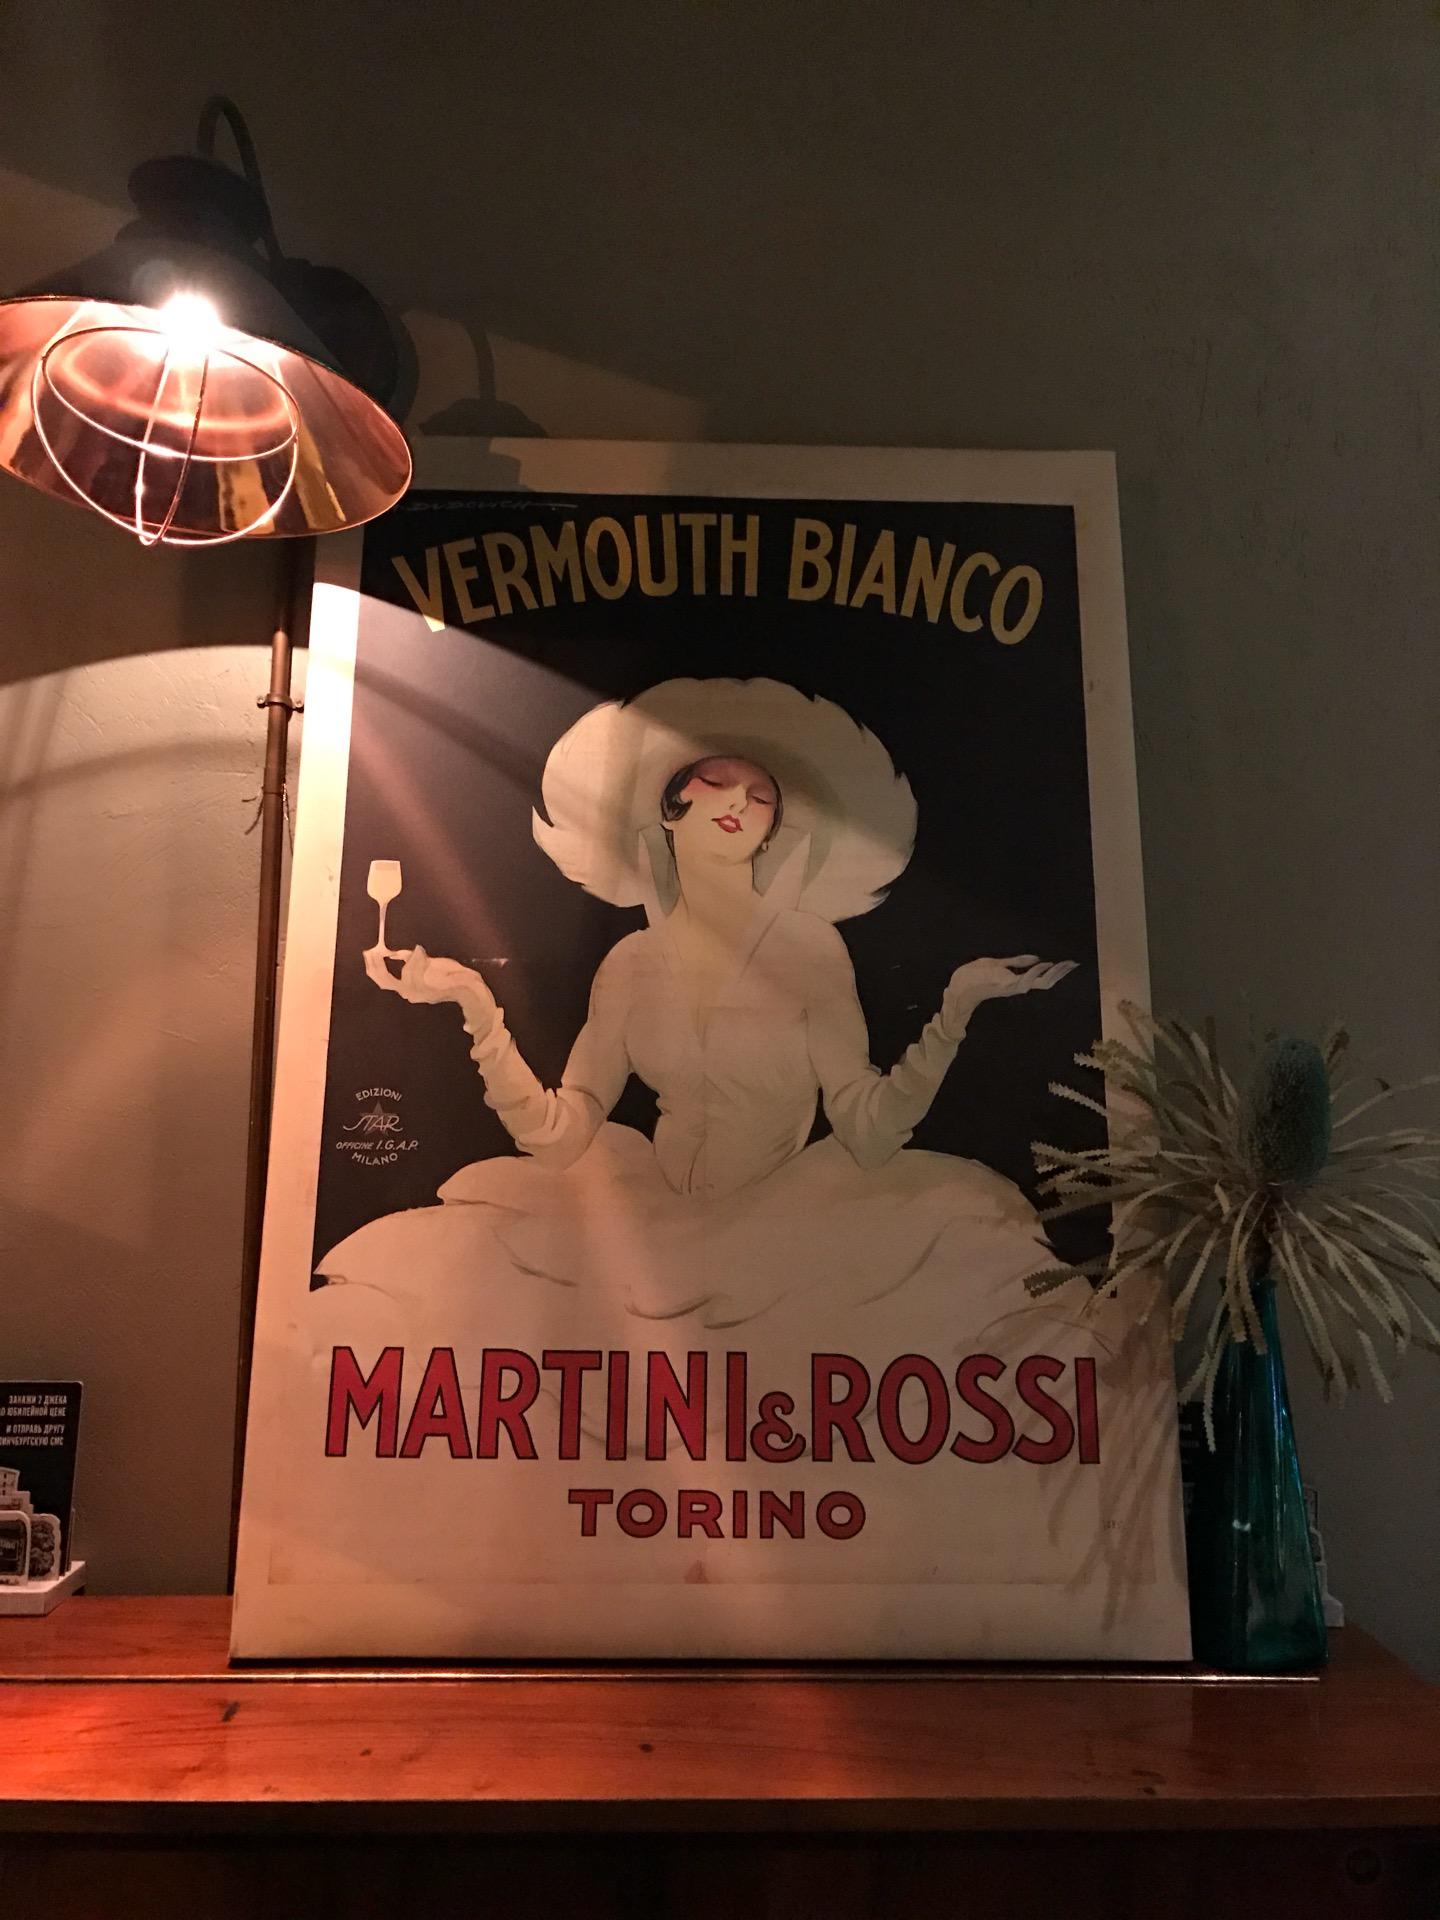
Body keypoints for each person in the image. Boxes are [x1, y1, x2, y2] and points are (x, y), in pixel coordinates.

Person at [318, 676, 1085, 1417]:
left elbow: (868, 1127)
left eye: (762, 797)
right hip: (652, 1224)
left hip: (797, 1227)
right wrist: (474, 1006)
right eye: (718, 783)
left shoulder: (811, 949)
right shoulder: (631, 964)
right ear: (671, 811)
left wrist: (955, 1011)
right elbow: (556, 1135)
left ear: (774, 830)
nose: (740, 803)